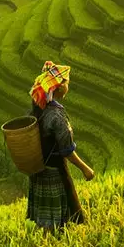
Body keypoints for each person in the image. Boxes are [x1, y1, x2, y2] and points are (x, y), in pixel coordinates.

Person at [26, 61, 96, 232]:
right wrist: (86, 169)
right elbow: (67, 150)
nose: (68, 86)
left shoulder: (38, 109)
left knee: (47, 219)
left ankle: (47, 245)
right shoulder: (56, 116)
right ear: (58, 88)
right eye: (66, 83)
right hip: (56, 171)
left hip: (40, 169)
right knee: (62, 218)